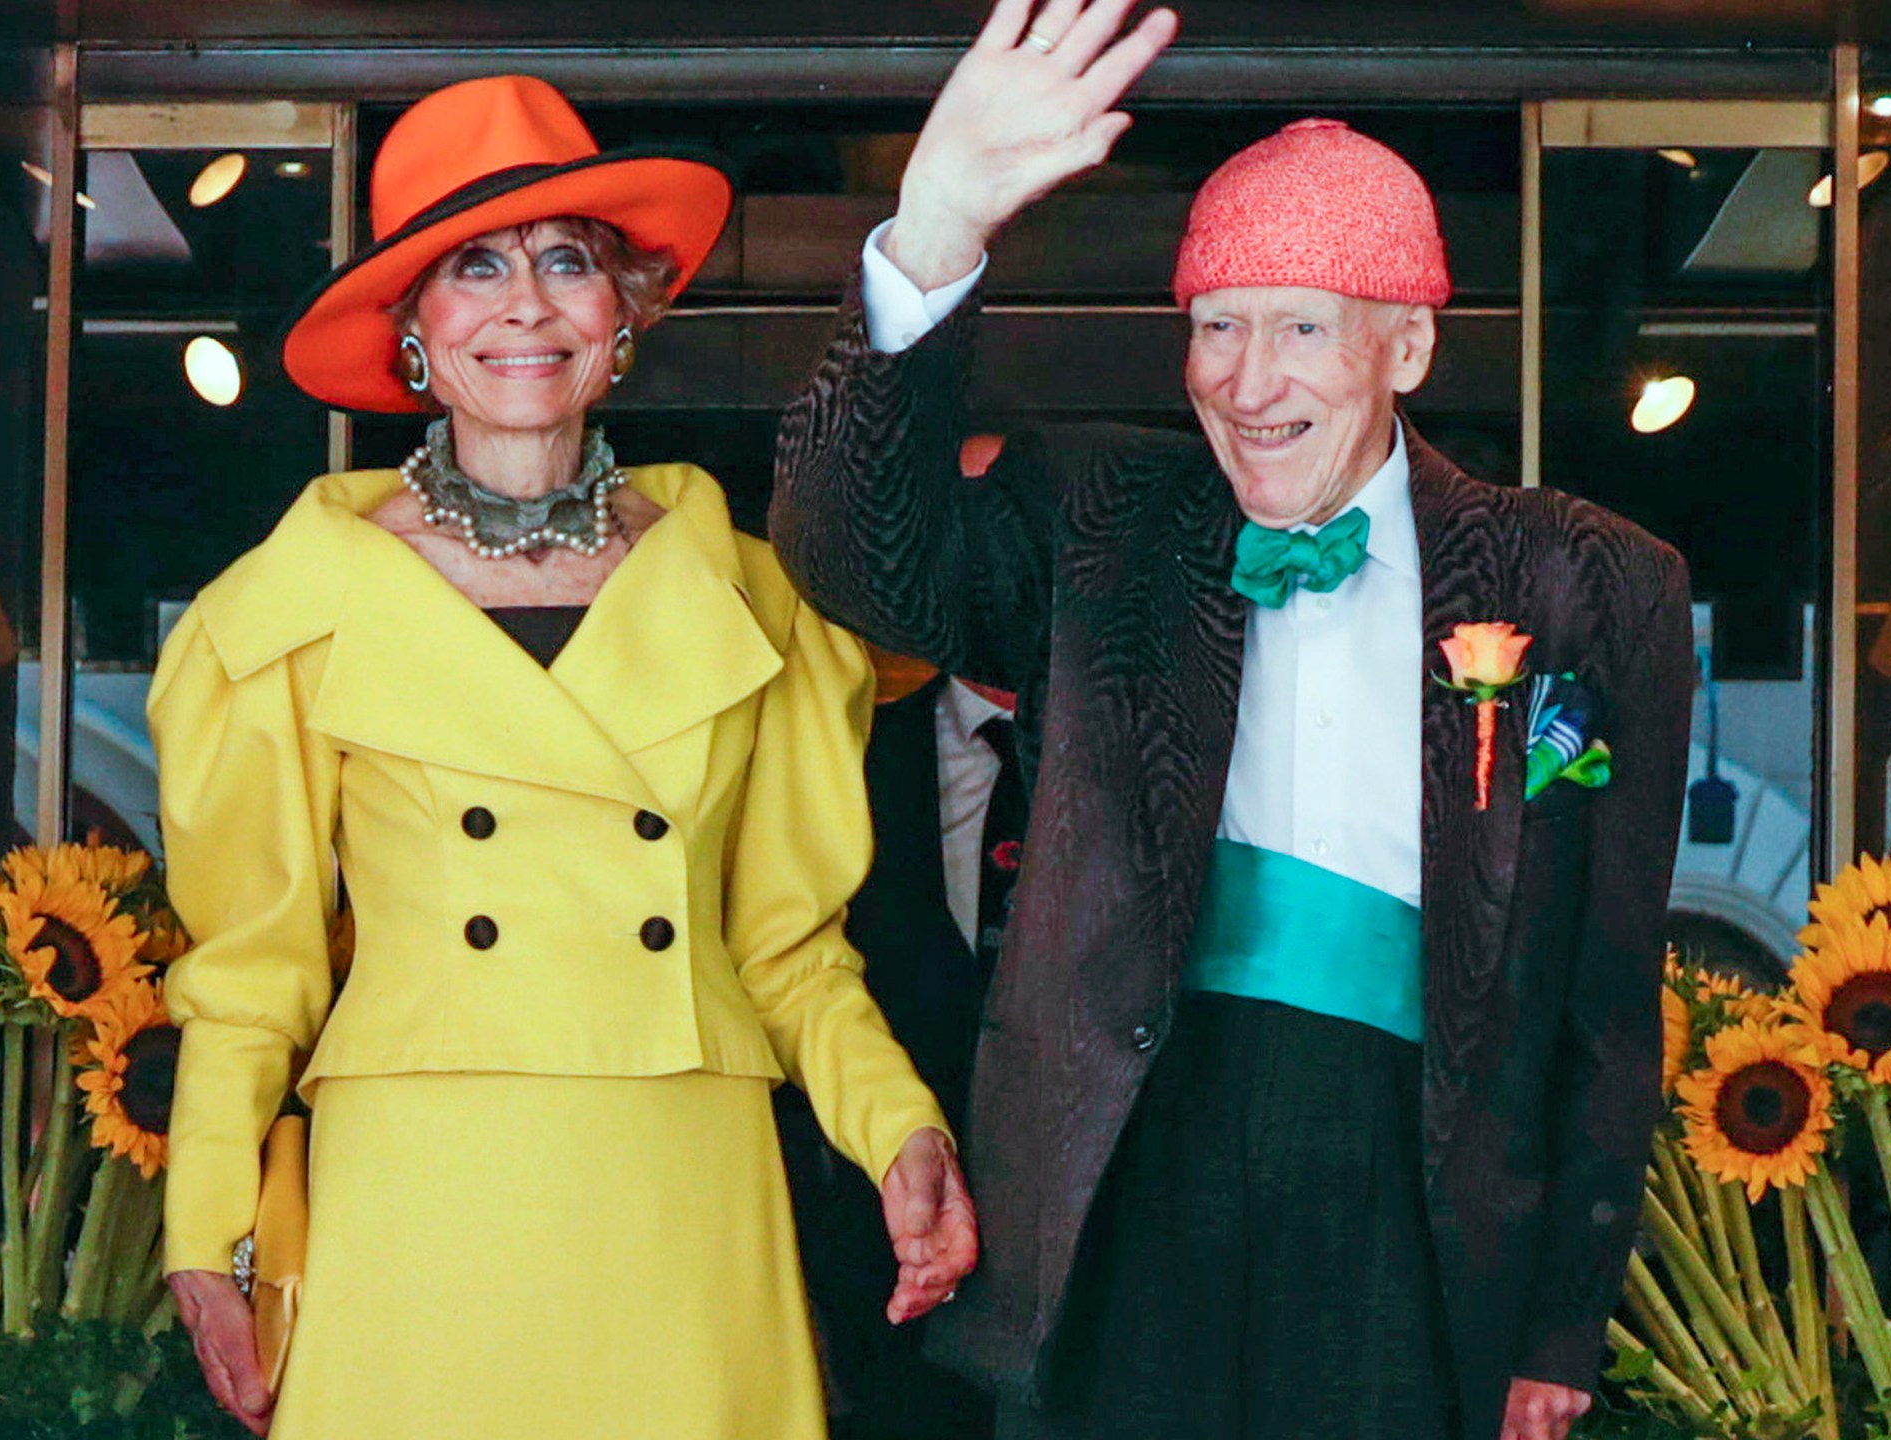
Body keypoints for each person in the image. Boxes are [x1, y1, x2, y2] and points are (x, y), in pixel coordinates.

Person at [768, 3, 1696, 1438]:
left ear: (1408, 349)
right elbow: (855, 558)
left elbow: (1603, 991)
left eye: (1302, 331)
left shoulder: (1586, 578)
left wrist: (1563, 1327)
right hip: (1126, 1172)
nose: (1248, 385)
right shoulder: (1100, 517)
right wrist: (934, 230)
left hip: (1416, 1197)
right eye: (1218, 329)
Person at [150, 74, 977, 1440]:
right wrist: (207, 1232)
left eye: (566, 263)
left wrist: (902, 1131)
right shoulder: (289, 612)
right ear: (413, 329)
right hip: (419, 1202)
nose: (524, 305)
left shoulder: (754, 597)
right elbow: (251, 976)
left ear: (625, 312)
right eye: (472, 267)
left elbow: (786, 949)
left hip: (678, 1190)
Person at [780, 641, 1019, 1440]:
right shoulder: (845, 742)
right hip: (893, 1269)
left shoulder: (1157, 747)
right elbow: (789, 966)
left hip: (1118, 1274)